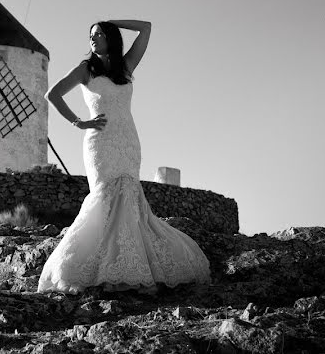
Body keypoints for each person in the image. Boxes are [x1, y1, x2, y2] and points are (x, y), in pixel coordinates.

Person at [38, 20, 210, 294]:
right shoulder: (86, 69)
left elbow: (147, 28)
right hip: (100, 143)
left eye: (99, 34)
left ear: (111, 38)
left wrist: (112, 21)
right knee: (104, 199)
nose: (93, 39)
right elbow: (53, 94)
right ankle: (98, 268)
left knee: (129, 199)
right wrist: (78, 122)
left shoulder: (125, 66)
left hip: (128, 142)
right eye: (91, 35)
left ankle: (128, 266)